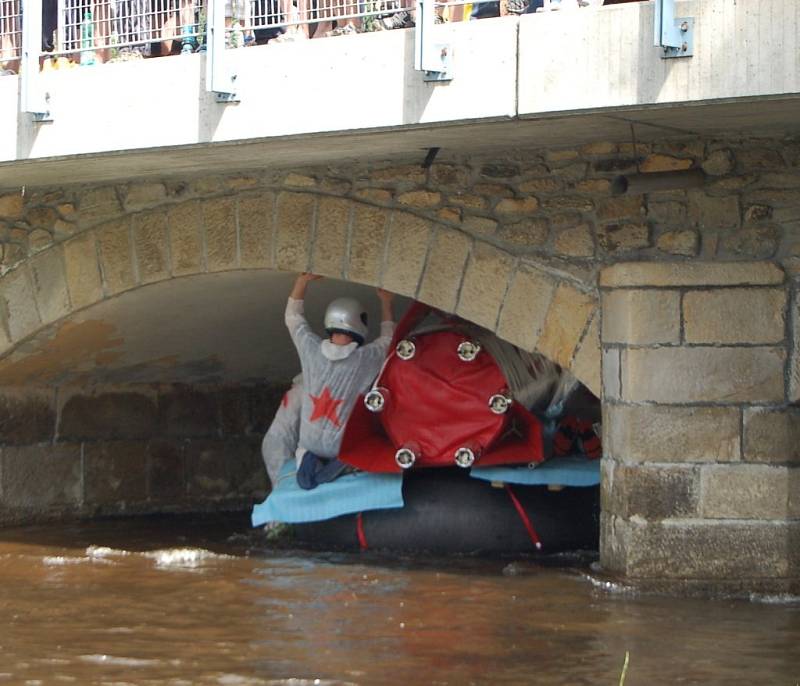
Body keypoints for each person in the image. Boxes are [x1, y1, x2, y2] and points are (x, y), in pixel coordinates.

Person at [286, 273, 395, 489]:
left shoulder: (311, 349)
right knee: (364, 442)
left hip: (309, 444)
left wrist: (301, 282)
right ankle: (343, 463)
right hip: (340, 447)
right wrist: (386, 301)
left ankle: (309, 467)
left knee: (305, 459)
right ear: (359, 323)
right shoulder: (364, 359)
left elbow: (293, 318)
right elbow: (389, 339)